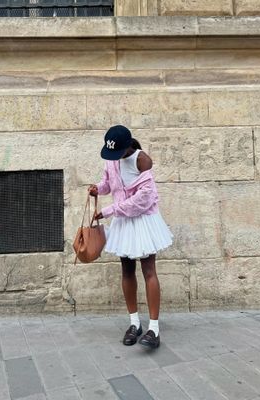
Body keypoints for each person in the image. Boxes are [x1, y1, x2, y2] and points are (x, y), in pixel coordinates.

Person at [88, 125, 173, 349]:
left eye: (117, 153)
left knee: (148, 269)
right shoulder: (112, 159)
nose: (113, 158)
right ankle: (134, 323)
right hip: (123, 221)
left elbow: (143, 201)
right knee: (126, 269)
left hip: (143, 220)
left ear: (127, 147)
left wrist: (107, 211)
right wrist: (98, 188)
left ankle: (154, 328)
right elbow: (109, 183)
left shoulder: (141, 160)